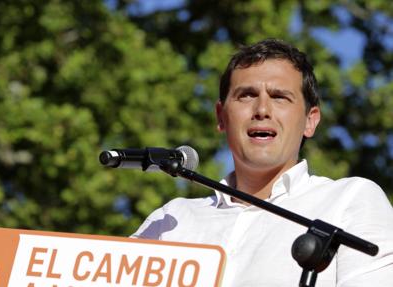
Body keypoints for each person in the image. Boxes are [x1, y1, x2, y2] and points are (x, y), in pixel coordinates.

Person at [131, 39, 393, 286]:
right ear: (221, 117)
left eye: (280, 97)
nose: (262, 110)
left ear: (310, 121)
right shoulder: (172, 219)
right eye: (246, 95)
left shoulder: (350, 200)